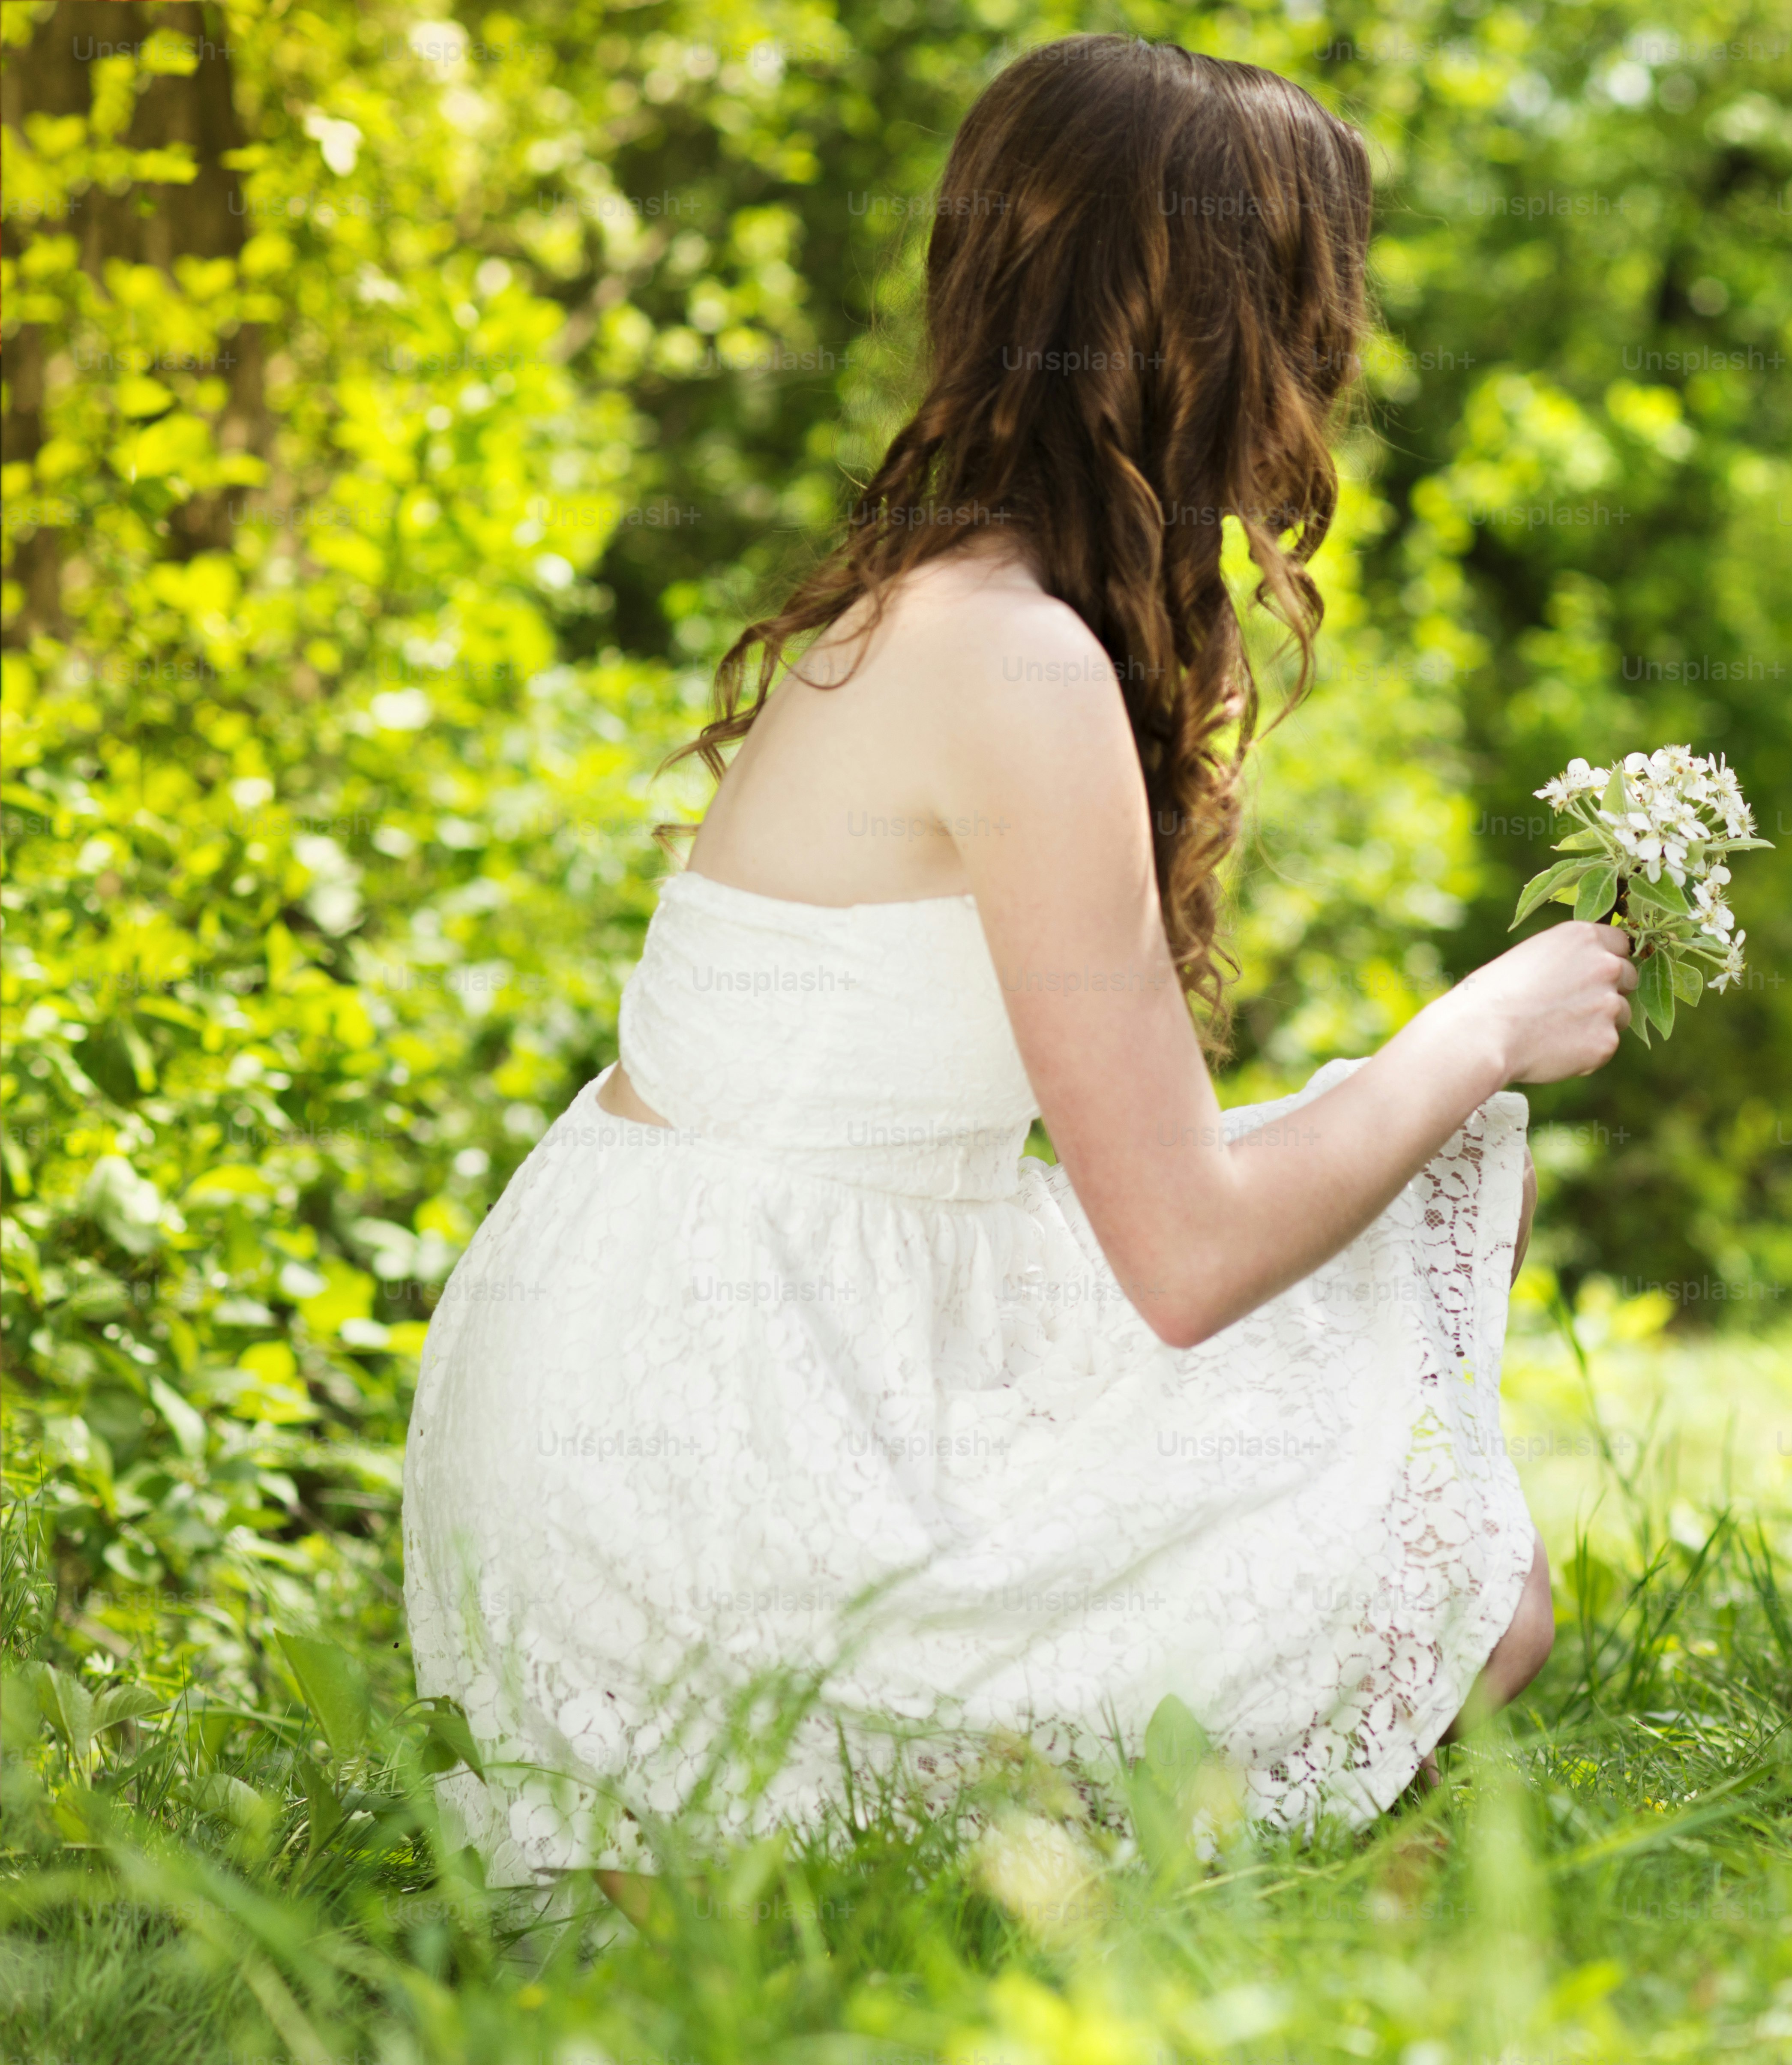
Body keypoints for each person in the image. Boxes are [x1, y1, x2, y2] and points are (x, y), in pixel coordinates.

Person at [402, 34, 1636, 1899]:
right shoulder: (1014, 660)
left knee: (1450, 1544)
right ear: (1222, 328)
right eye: (1312, 315)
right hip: (714, 1449)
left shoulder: (952, 602)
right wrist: (1481, 1027)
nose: (1329, 373)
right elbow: (1188, 1250)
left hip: (732, 1341)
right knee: (1467, 1598)